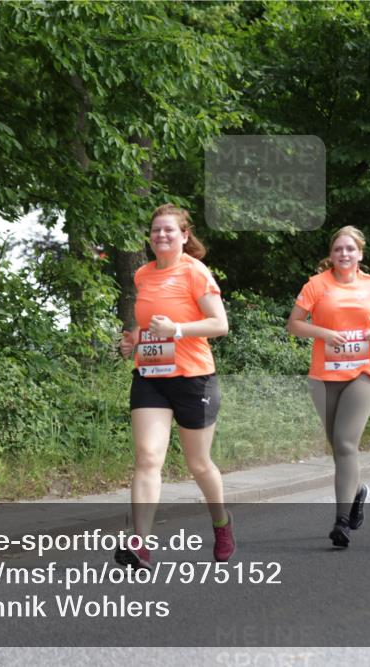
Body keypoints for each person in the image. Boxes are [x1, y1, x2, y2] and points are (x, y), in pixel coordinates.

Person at [116, 204, 234, 568]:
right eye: (155, 230)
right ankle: (141, 543)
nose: (161, 236)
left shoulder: (196, 273)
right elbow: (151, 323)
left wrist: (177, 331)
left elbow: (219, 325)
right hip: (151, 377)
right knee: (148, 458)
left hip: (192, 377)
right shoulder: (143, 275)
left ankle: (222, 524)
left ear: (184, 235)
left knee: (198, 464)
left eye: (169, 230)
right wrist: (134, 340)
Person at [287, 226, 370, 548]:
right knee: (338, 447)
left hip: (362, 372)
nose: (344, 254)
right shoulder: (317, 285)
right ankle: (358, 491)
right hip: (324, 374)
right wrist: (323, 334)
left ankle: (341, 521)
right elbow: (293, 324)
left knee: (345, 443)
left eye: (350, 249)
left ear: (360, 254)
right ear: (331, 254)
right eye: (338, 249)